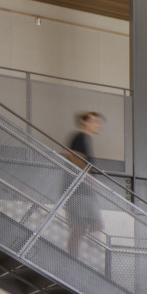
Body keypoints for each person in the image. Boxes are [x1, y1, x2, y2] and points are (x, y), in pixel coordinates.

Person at [64, 111, 105, 261]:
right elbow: (72, 156)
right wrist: (90, 179)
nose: (98, 125)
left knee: (83, 227)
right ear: (84, 121)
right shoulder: (80, 137)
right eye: (94, 121)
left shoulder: (83, 139)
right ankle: (76, 258)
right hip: (79, 191)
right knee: (92, 225)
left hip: (80, 190)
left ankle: (74, 257)